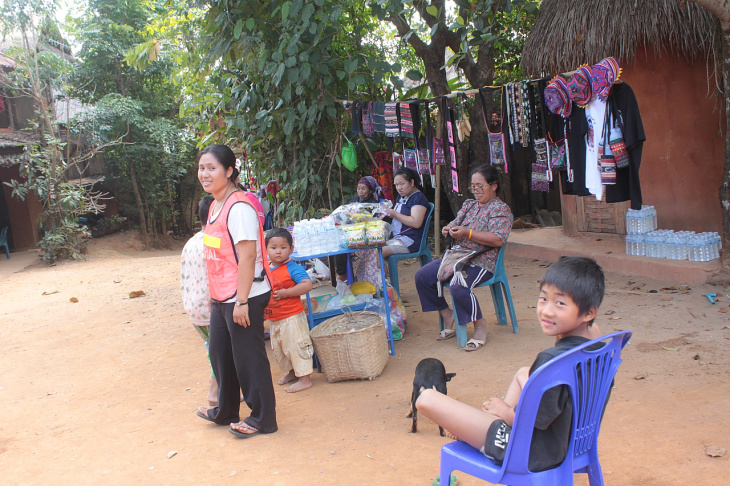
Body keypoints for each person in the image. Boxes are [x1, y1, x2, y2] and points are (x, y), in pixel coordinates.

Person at [415, 256, 605, 472]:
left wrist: (505, 412)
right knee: (524, 373)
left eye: (560, 303)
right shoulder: (598, 341)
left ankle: (480, 426)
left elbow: (532, 422)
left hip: (530, 452)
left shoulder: (551, 361)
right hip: (568, 439)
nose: (547, 311)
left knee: (426, 399)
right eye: (543, 299)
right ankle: (482, 422)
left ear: (589, 312)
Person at [194, 144, 277, 439]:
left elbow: (248, 257)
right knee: (220, 353)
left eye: (212, 168)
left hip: (245, 295)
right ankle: (226, 410)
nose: (205, 174)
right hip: (222, 295)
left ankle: (262, 419)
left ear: (229, 171)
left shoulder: (239, 207)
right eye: (202, 168)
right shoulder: (215, 204)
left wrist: (241, 301)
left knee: (248, 357)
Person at [415, 165, 513, 351]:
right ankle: (447, 315)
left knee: (458, 285)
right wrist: (449, 228)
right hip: (457, 256)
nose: (475, 191)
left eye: (480, 186)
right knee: (423, 276)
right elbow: (456, 222)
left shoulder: (501, 210)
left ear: (494, 186)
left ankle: (480, 324)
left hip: (481, 259)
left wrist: (468, 233)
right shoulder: (469, 205)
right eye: (472, 187)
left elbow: (498, 239)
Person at [264, 228, 315, 393]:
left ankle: (305, 379)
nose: (278, 251)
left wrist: (287, 293)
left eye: (283, 247)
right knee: (281, 349)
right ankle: (293, 373)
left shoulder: (292, 268)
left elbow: (307, 284)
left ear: (291, 249)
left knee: (296, 347)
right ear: (266, 249)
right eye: (273, 248)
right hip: (275, 319)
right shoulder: (265, 269)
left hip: (292, 318)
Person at [180, 195, 217, 405]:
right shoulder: (213, 241)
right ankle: (215, 391)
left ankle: (222, 388)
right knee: (223, 352)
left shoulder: (192, 241)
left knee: (213, 348)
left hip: (194, 309)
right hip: (211, 308)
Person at [334, 176, 384, 281]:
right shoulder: (355, 201)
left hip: (367, 235)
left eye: (363, 189)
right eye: (358, 188)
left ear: (370, 190)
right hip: (354, 232)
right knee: (340, 244)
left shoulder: (374, 204)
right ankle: (342, 272)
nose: (360, 191)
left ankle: (345, 274)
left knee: (345, 245)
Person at [380, 167, 429, 260]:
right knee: (370, 247)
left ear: (412, 182)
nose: (399, 187)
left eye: (402, 184)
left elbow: (416, 222)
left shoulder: (418, 198)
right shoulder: (402, 196)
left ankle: (379, 274)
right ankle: (378, 274)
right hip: (397, 237)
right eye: (396, 184)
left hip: (410, 240)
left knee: (378, 252)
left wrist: (394, 214)